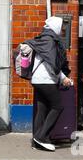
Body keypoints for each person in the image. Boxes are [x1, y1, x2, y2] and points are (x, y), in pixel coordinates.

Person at [25, 16, 73, 152]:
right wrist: (63, 78)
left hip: (37, 79)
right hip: (46, 79)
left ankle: (37, 141)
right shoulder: (50, 41)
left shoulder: (43, 38)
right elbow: (53, 64)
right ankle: (41, 137)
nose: (63, 29)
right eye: (62, 27)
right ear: (56, 27)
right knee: (58, 106)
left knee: (42, 109)